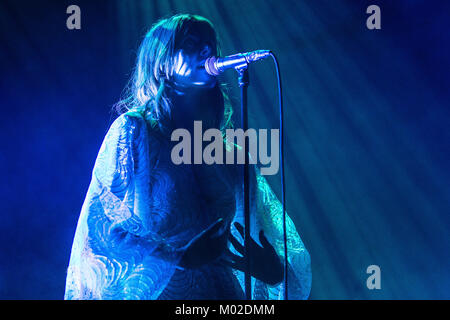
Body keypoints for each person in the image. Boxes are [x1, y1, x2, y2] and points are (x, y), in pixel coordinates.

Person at [64, 13, 311, 300]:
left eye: (209, 43)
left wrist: (274, 272)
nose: (207, 51)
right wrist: (178, 258)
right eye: (191, 43)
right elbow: (101, 233)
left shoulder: (231, 153)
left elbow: (262, 230)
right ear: (161, 62)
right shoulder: (134, 132)